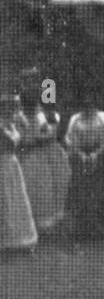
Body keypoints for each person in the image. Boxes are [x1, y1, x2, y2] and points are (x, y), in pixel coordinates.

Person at [16, 82, 70, 233]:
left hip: (46, 153)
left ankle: (54, 222)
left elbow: (49, 131)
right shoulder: (20, 117)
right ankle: (34, 224)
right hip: (31, 156)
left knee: (54, 185)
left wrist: (43, 136)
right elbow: (22, 138)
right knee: (35, 187)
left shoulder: (44, 114)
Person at [63, 104, 104, 241]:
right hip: (80, 155)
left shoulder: (101, 118)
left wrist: (95, 154)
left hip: (99, 155)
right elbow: (70, 140)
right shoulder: (75, 119)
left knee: (101, 184)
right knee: (80, 186)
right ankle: (82, 228)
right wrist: (81, 155)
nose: (87, 107)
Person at [0, 95, 37, 253]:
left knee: (16, 200)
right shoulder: (3, 126)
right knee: (4, 200)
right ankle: (5, 241)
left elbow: (18, 142)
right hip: (2, 164)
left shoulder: (11, 124)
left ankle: (21, 240)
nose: (10, 110)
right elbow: (9, 142)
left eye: (12, 107)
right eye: (7, 107)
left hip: (12, 164)